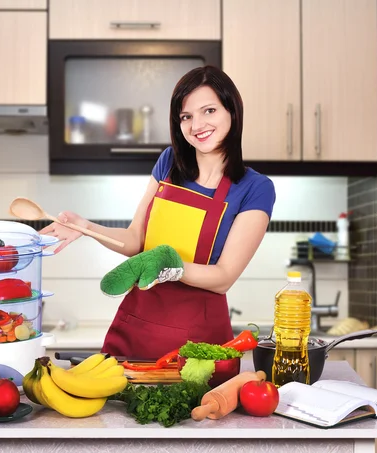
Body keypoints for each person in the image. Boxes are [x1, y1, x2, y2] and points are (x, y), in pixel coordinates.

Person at [40, 65, 276, 360]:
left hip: (197, 344)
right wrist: (86, 227)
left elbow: (224, 276)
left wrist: (171, 264)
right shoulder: (170, 163)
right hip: (136, 327)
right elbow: (136, 239)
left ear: (232, 111)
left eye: (209, 111)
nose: (196, 124)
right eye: (186, 116)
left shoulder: (255, 187)